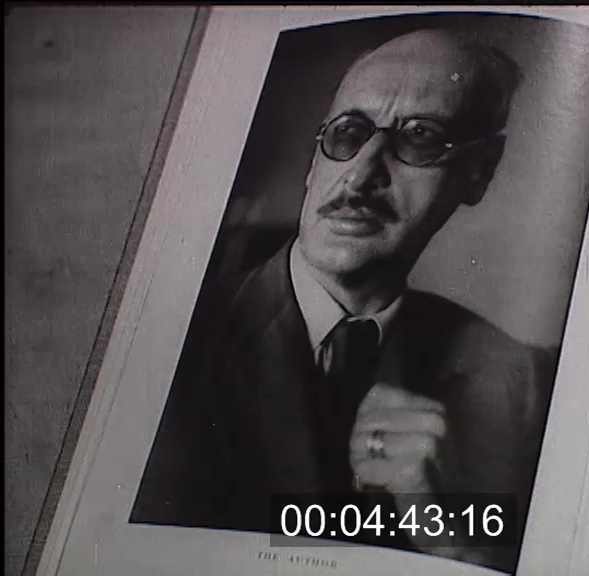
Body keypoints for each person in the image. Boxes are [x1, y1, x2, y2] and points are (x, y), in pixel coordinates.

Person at [131, 28, 556, 572]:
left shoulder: (523, 385)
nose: (360, 173)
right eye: (348, 132)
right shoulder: (168, 342)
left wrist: (462, 549)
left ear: (480, 172)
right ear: (315, 163)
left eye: (420, 137)